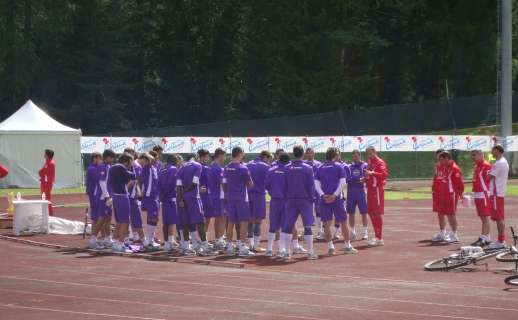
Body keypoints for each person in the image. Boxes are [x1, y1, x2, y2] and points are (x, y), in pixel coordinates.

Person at [315, 147, 357, 255]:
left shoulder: (320, 167)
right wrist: (334, 195)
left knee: (326, 224)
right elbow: (343, 183)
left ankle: (330, 247)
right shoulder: (339, 166)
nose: (339, 156)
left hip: (324, 199)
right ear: (334, 155)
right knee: (343, 221)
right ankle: (347, 246)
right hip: (337, 199)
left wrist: (323, 195)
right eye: (338, 154)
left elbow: (316, 184)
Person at [280, 145, 318, 260]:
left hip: (291, 200)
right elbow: (311, 186)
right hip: (305, 200)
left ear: (293, 153)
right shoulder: (308, 168)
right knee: (307, 226)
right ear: (302, 154)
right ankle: (310, 253)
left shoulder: (286, 168)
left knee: (288, 226)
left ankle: (287, 252)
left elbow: (284, 185)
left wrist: (286, 198)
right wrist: (312, 199)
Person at [177, 153, 212, 254]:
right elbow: (194, 183)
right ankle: (205, 247)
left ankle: (186, 247)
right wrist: (186, 192)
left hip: (183, 198)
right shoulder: (198, 165)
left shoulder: (181, 167)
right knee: (200, 222)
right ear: (196, 158)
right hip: (193, 197)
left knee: (186, 223)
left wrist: (181, 199)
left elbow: (178, 186)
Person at [222, 147, 255, 257]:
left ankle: (230, 246)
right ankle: (241, 246)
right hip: (241, 198)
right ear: (240, 154)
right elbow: (250, 184)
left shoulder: (226, 167)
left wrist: (227, 193)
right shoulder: (243, 168)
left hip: (230, 198)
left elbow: (224, 183)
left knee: (231, 222)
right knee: (243, 222)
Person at [108, 153, 137, 253]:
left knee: (120, 221)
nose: (131, 164)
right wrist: (133, 167)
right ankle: (120, 244)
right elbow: (133, 176)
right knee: (125, 221)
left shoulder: (114, 167)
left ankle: (116, 243)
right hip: (121, 196)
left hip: (116, 195)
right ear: (126, 161)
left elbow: (125, 179)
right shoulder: (120, 167)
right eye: (130, 162)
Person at [433, 151, 464, 243]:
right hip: (442, 194)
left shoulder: (454, 168)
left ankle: (454, 234)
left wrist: (459, 194)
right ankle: (444, 233)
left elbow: (459, 184)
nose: (439, 162)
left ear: (447, 158)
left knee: (451, 214)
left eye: (441, 159)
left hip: (450, 195)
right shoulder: (443, 167)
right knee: (442, 212)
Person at [89, 149, 116, 249]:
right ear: (107, 157)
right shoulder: (102, 166)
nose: (113, 159)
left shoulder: (108, 166)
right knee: (101, 219)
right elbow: (102, 183)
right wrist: (107, 197)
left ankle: (108, 239)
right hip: (103, 197)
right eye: (112, 157)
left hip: (107, 196)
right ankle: (93, 240)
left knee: (108, 218)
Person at [246, 150, 272, 252]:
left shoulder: (248, 164)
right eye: (269, 159)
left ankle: (251, 244)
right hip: (259, 195)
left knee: (249, 220)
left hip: (248, 195)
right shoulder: (266, 167)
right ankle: (256, 245)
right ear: (265, 157)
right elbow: (269, 182)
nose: (269, 162)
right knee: (258, 221)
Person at [265, 152, 290, 256]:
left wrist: (273, 193)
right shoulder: (289, 171)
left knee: (273, 225)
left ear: (279, 159)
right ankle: (281, 250)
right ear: (288, 161)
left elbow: (267, 185)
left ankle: (269, 249)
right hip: (286, 201)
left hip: (274, 200)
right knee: (284, 225)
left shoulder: (271, 170)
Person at [487, 144, 510, 249]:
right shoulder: (502, 162)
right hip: (498, 193)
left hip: (496, 193)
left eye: (493, 150)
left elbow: (489, 177)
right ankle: (500, 240)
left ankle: (501, 241)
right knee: (498, 217)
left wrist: (488, 172)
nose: (491, 152)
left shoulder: (499, 163)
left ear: (498, 151)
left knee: (499, 217)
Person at [364, 146, 388, 247]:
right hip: (370, 190)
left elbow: (384, 175)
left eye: (369, 153)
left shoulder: (380, 162)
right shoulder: (370, 162)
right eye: (367, 154)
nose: (368, 155)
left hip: (377, 190)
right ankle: (377, 236)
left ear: (374, 152)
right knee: (371, 212)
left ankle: (379, 238)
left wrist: (372, 173)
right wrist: (365, 178)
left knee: (376, 213)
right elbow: (369, 176)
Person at [159, 154, 182, 251]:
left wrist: (161, 196)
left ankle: (168, 243)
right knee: (176, 221)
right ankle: (179, 242)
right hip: (171, 198)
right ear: (174, 160)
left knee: (166, 222)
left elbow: (159, 184)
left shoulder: (162, 170)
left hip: (164, 198)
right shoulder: (174, 169)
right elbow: (172, 184)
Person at [470, 149, 492, 247]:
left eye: (474, 155)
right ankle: (487, 237)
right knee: (482, 216)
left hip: (484, 193)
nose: (473, 157)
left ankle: (483, 238)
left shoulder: (486, 165)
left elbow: (489, 179)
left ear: (480, 154)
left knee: (485, 216)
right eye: (472, 155)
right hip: (477, 193)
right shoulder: (477, 166)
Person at [139, 152, 161, 250]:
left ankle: (150, 240)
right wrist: (143, 194)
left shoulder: (154, 169)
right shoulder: (146, 168)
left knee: (153, 218)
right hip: (151, 197)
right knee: (153, 218)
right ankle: (149, 241)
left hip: (154, 197)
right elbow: (144, 182)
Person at [346, 149, 369, 241]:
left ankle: (365, 232)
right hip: (351, 192)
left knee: (364, 212)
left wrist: (363, 179)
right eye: (353, 156)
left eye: (356, 156)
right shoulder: (349, 166)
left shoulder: (365, 165)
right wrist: (358, 179)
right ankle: (352, 232)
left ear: (360, 156)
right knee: (351, 213)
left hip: (361, 191)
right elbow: (347, 179)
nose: (354, 158)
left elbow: (367, 177)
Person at [207, 148, 227, 249]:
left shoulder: (211, 166)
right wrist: (228, 194)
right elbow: (222, 182)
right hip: (219, 195)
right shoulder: (218, 168)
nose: (225, 157)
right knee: (222, 218)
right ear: (219, 155)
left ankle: (218, 238)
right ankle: (219, 239)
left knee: (218, 218)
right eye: (224, 155)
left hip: (213, 194)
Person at [124, 148, 144, 243]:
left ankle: (132, 236)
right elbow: (133, 181)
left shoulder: (135, 167)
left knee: (133, 217)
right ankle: (128, 238)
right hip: (127, 196)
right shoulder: (123, 168)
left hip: (131, 196)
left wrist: (138, 191)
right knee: (127, 218)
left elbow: (137, 181)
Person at [304, 148, 324, 239]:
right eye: (307, 153)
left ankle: (320, 231)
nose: (309, 155)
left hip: (316, 190)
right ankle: (307, 231)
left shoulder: (318, 164)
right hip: (306, 190)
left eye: (310, 153)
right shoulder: (303, 164)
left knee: (319, 209)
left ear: (314, 153)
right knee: (306, 210)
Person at [85, 152, 102, 226]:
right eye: (99, 158)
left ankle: (97, 233)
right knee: (96, 214)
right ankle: (95, 234)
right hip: (94, 193)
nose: (101, 160)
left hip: (94, 193)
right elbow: (98, 180)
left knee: (97, 213)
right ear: (95, 159)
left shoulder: (93, 168)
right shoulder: (92, 169)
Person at [38, 149, 55, 216]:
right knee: (44, 198)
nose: (44, 155)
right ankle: (46, 214)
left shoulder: (50, 163)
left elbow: (42, 172)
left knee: (47, 199)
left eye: (45, 154)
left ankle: (50, 215)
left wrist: (41, 172)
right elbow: (42, 172)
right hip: (44, 183)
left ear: (48, 155)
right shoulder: (47, 162)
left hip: (47, 184)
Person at [431, 149, 445, 216]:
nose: (439, 157)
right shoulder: (437, 165)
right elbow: (435, 176)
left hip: (446, 191)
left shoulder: (448, 165)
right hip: (438, 191)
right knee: (439, 211)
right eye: (438, 155)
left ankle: (453, 226)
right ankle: (442, 227)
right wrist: (434, 186)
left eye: (441, 155)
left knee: (450, 212)